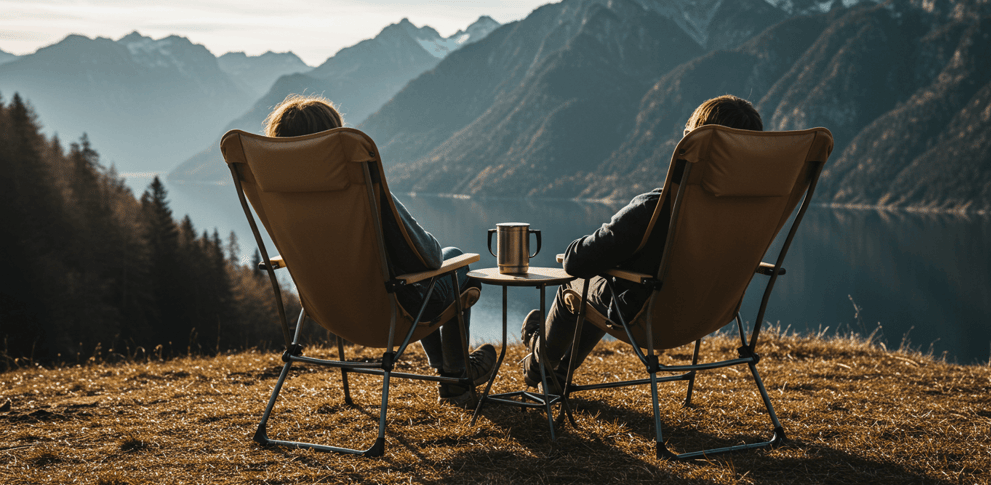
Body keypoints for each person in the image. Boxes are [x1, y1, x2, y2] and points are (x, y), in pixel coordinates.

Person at [263, 94, 495, 408]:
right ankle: (456, 377)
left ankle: (452, 372)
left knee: (421, 272)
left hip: (328, 311)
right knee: (456, 262)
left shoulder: (278, 193)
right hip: (388, 312)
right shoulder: (361, 188)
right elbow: (429, 257)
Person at [520, 95, 764, 391]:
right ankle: (556, 371)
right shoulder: (751, 214)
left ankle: (538, 362)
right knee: (607, 285)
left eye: (687, 133)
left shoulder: (656, 206)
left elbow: (576, 261)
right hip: (711, 316)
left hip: (650, 319)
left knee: (579, 285)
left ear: (691, 144)